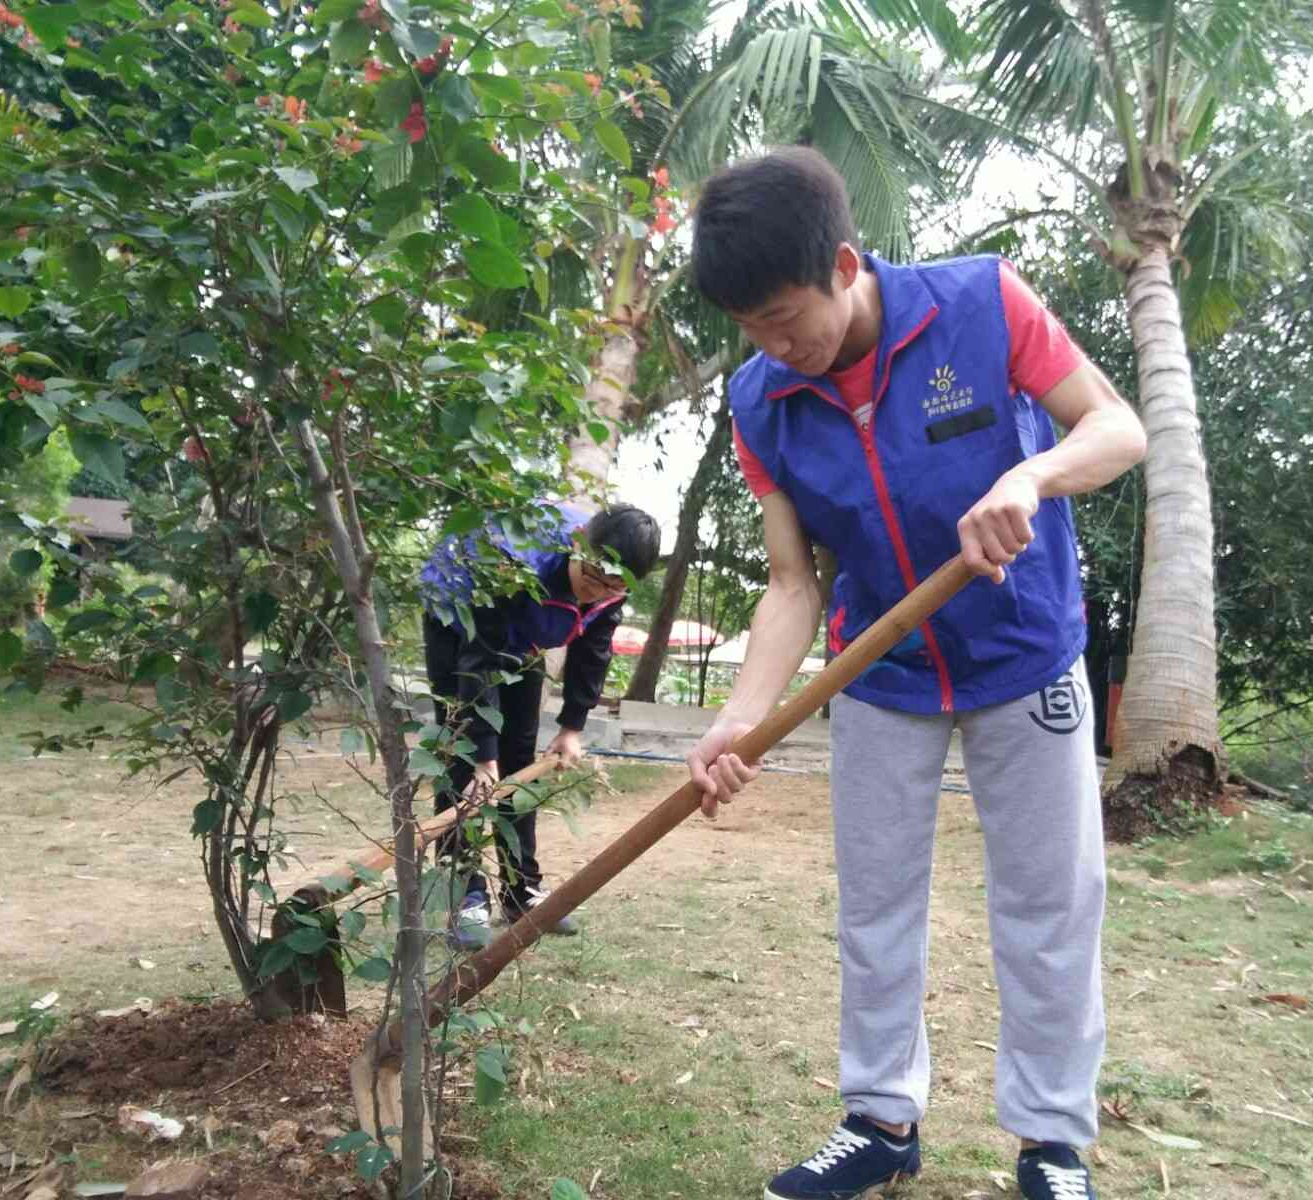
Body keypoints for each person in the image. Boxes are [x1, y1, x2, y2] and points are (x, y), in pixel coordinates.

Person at [683, 147, 1147, 1200]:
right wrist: (738, 722)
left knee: (1049, 902)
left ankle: (1053, 1144)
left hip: (1023, 654)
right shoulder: (762, 401)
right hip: (881, 672)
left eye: (786, 318)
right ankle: (880, 1121)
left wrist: (1030, 475)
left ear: (845, 264)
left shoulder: (981, 303)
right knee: (875, 905)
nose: (774, 348)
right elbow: (791, 584)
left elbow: (1115, 427)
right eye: (748, 328)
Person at [420, 501, 661, 949]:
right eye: (589, 576)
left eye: (609, 587)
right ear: (577, 543)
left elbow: (593, 650)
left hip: (523, 637)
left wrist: (573, 726)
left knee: (520, 754)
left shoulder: (610, 587)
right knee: (462, 759)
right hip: (460, 620)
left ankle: (520, 890)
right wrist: (482, 759)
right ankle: (463, 894)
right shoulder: (517, 561)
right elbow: (479, 659)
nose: (594, 592)